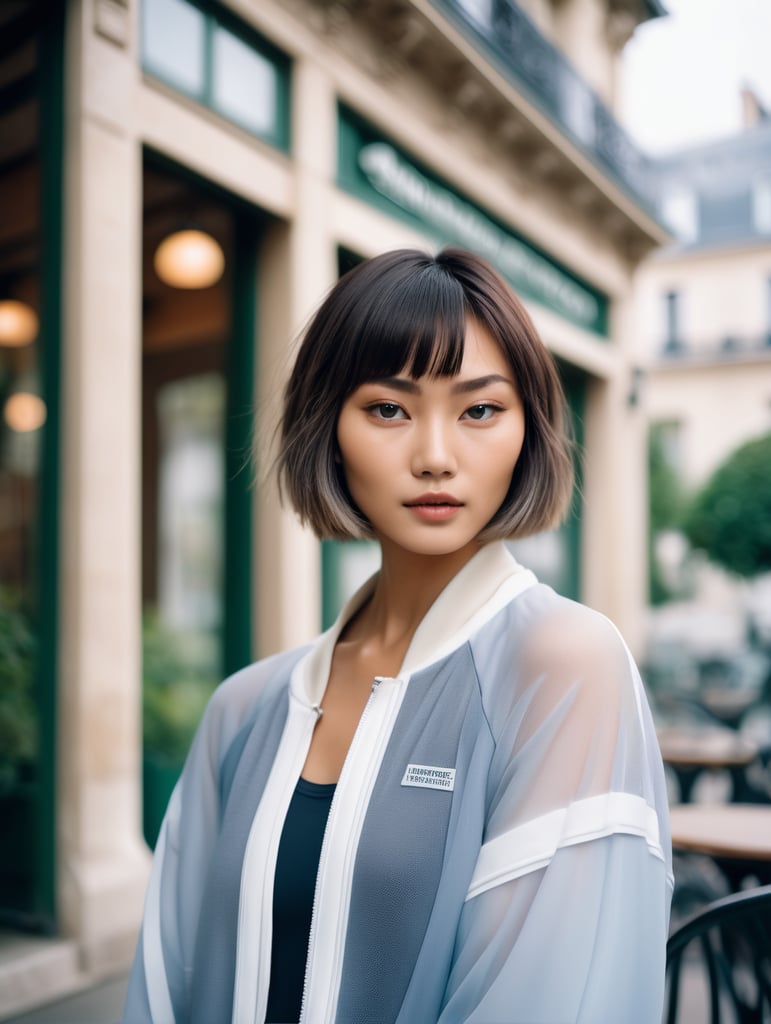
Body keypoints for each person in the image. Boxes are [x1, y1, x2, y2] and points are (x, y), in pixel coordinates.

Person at [123, 248, 673, 1024]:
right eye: (388, 409)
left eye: (480, 409)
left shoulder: (564, 665)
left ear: (528, 431)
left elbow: (548, 997)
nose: (435, 457)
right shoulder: (242, 709)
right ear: (330, 428)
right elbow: (163, 985)